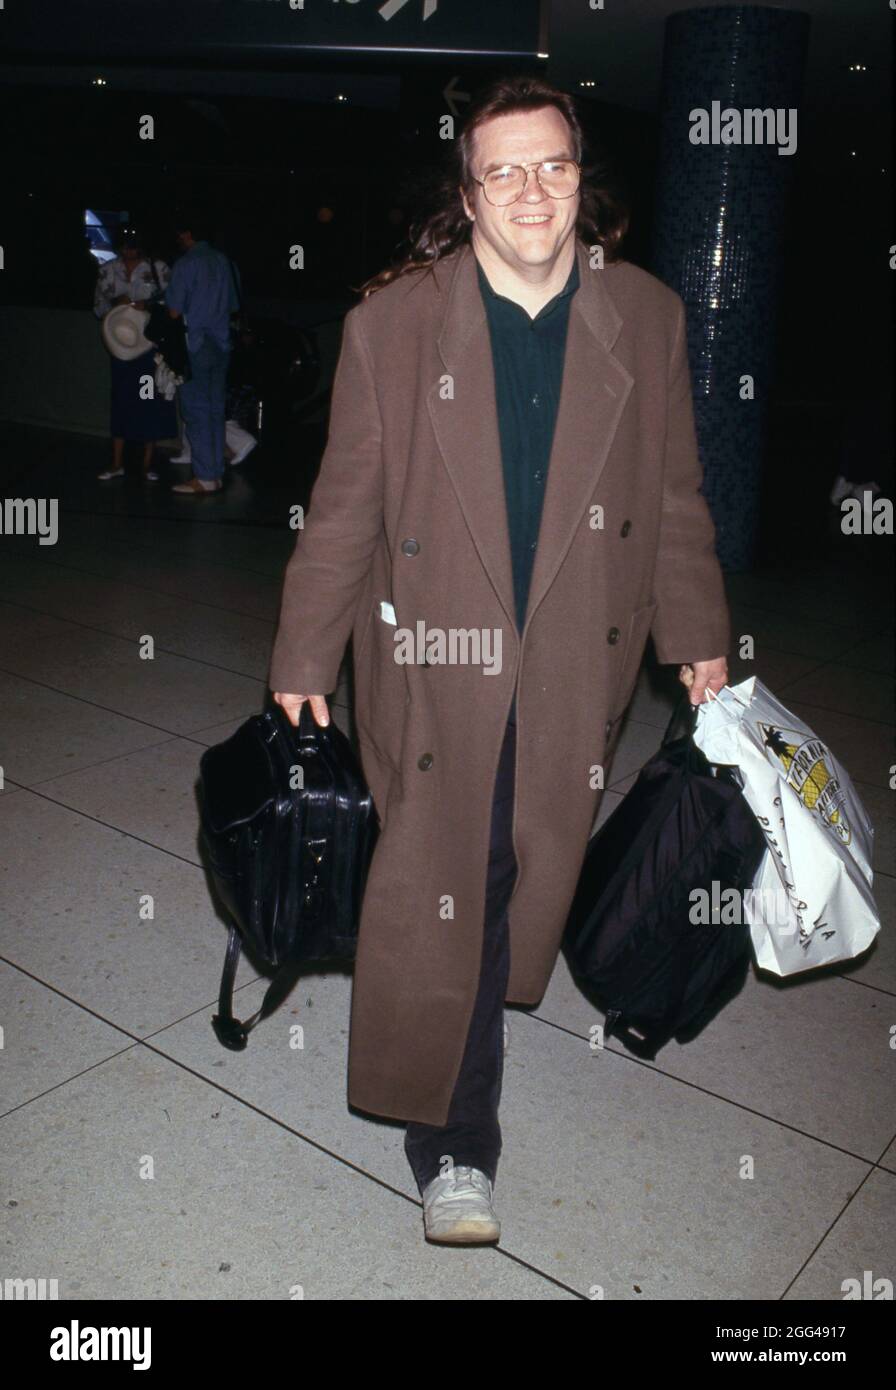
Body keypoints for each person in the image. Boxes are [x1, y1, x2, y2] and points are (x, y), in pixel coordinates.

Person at [269, 76, 731, 1245]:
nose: (530, 191)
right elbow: (343, 506)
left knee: (529, 868)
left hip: (574, 655)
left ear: (581, 179)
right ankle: (454, 1145)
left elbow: (674, 497)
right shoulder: (393, 326)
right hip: (436, 656)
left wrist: (696, 639)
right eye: (501, 171)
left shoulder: (645, 316)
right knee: (454, 887)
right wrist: (303, 649)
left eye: (551, 166)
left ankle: (472, 1024)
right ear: (466, 195)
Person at [165, 210, 242, 495]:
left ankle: (205, 476)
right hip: (221, 343)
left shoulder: (186, 263)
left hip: (195, 344)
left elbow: (174, 312)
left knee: (196, 411)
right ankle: (215, 472)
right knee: (215, 409)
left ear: (187, 234)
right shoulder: (225, 262)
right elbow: (234, 305)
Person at [93, 231, 177, 481]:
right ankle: (117, 463)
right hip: (121, 346)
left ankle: (147, 464)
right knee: (121, 401)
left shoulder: (158, 268)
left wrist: (147, 305)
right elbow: (98, 307)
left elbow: (173, 302)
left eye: (133, 246)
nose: (128, 252)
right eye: (124, 247)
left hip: (149, 349)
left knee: (147, 399)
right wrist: (115, 304)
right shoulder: (108, 270)